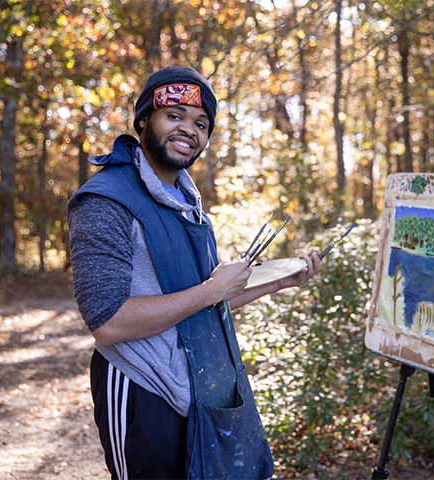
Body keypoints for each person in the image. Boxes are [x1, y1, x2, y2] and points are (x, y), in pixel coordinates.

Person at [68, 66, 321, 479]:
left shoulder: (187, 200)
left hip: (199, 391)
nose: (189, 129)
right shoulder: (104, 201)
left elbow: (205, 305)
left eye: (201, 123)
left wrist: (280, 280)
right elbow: (108, 323)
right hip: (140, 389)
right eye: (175, 115)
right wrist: (209, 291)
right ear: (145, 119)